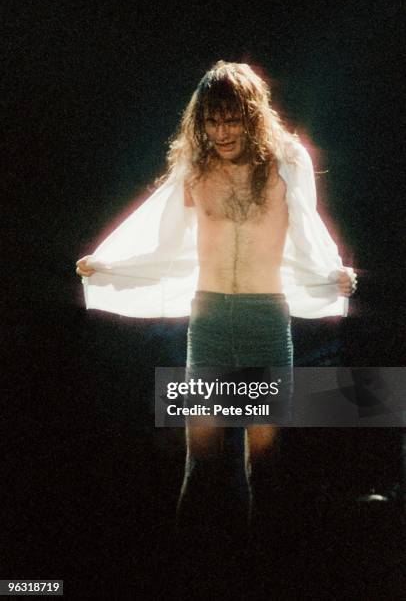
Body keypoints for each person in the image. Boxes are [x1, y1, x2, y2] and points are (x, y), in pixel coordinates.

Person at [76, 61, 356, 543]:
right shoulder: (195, 165)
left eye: (231, 118)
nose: (221, 130)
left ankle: (258, 574)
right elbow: (162, 235)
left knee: (262, 461)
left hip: (265, 320)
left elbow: (308, 229)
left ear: (252, 115)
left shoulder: (287, 160)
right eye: (212, 119)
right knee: (200, 460)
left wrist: (333, 273)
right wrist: (107, 263)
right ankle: (186, 572)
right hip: (208, 323)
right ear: (201, 121)